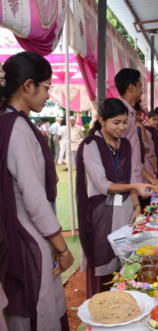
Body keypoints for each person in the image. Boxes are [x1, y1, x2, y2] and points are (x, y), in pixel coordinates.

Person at [0, 51, 74, 331]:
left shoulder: (7, 122)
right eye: (46, 88)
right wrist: (62, 247)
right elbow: (34, 199)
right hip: (28, 236)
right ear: (28, 86)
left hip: (12, 235)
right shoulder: (16, 127)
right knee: (38, 313)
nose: (48, 95)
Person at [76, 98, 153, 297]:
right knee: (103, 258)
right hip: (101, 212)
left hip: (125, 209)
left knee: (125, 259)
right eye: (116, 122)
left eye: (125, 122)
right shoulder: (91, 144)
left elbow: (131, 176)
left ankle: (124, 302)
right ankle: (103, 305)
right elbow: (102, 185)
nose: (122, 127)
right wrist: (134, 187)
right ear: (102, 120)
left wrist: (136, 206)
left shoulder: (125, 144)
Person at [115, 68, 158, 185]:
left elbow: (132, 155)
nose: (142, 90)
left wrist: (151, 178)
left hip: (135, 178)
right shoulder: (122, 115)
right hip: (127, 182)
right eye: (140, 86)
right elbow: (120, 156)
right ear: (131, 88)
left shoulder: (130, 113)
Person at [143, 110, 158, 179]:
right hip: (149, 162)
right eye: (154, 119)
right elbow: (148, 151)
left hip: (155, 159)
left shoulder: (154, 130)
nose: (157, 122)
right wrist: (155, 166)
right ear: (147, 118)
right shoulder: (146, 131)